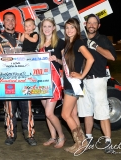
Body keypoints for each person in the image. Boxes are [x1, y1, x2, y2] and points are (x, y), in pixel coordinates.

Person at [0, 12, 37, 146]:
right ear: (3, 22)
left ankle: (29, 135)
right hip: (8, 80)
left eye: (12, 20)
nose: (10, 22)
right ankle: (11, 135)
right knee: (9, 110)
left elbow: (34, 52)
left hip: (24, 79)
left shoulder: (23, 35)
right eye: (7, 20)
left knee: (27, 109)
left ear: (15, 22)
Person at [77, 14, 116, 154]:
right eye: (90, 23)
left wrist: (96, 46)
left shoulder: (102, 39)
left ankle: (108, 142)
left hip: (98, 80)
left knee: (102, 112)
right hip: (83, 81)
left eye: (95, 23)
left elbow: (112, 56)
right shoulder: (80, 39)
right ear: (85, 24)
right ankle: (89, 139)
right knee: (87, 112)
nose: (92, 25)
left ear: (98, 26)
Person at [60, 18, 94, 154]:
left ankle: (82, 142)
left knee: (65, 114)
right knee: (73, 114)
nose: (69, 30)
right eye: (67, 28)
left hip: (73, 84)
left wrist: (81, 75)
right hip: (69, 82)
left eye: (72, 28)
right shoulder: (69, 44)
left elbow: (90, 58)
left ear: (77, 29)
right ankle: (79, 142)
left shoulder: (78, 42)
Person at [38, 17, 66, 148]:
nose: (47, 29)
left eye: (49, 26)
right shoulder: (40, 45)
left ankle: (62, 136)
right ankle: (53, 137)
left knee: (49, 112)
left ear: (54, 28)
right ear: (42, 29)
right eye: (45, 27)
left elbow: (65, 63)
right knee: (47, 113)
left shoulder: (60, 43)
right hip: (42, 81)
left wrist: (57, 59)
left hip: (54, 81)